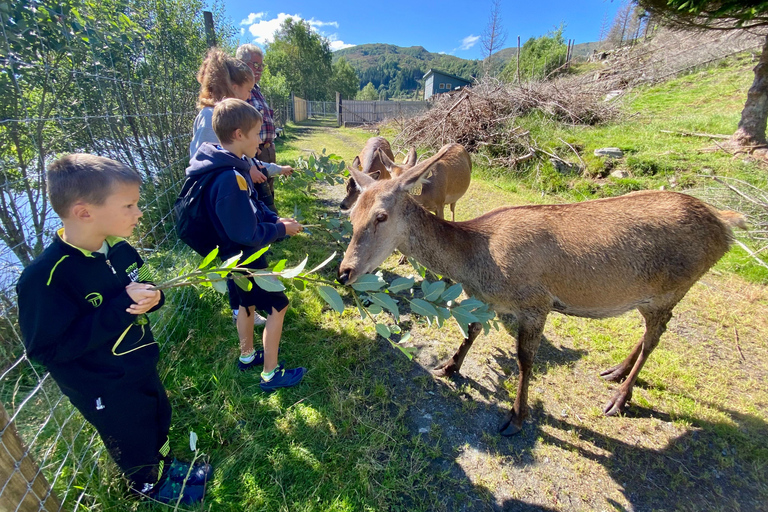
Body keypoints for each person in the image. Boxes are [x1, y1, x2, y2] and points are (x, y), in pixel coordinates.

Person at [16, 154, 210, 505]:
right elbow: (47, 349)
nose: (139, 213)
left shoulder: (121, 250)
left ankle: (166, 467)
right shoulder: (46, 278)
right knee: (131, 436)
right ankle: (148, 486)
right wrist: (119, 307)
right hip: (102, 385)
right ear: (84, 212)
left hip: (140, 363)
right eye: (129, 205)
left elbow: (149, 288)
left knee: (158, 416)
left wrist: (156, 298)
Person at [186, 98, 306, 389]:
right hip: (245, 257)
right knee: (279, 305)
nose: (260, 141)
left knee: (245, 303)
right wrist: (279, 230)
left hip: (231, 256)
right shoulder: (230, 177)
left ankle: (247, 355)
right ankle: (270, 373)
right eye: (256, 134)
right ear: (239, 134)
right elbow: (246, 233)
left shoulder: (229, 165)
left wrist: (275, 219)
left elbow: (252, 206)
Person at [191, 47, 293, 326]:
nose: (249, 96)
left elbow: (242, 160)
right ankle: (243, 308)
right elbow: (206, 159)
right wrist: (277, 229)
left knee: (241, 255)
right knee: (237, 253)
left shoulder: (229, 125)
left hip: (234, 196)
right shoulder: (212, 121)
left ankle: (244, 313)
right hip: (225, 202)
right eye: (247, 90)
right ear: (232, 87)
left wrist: (260, 169)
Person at [236, 44, 280, 211]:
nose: (260, 69)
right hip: (254, 152)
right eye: (255, 65)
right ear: (241, 63)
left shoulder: (256, 89)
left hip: (266, 150)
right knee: (256, 194)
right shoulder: (239, 92)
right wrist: (251, 159)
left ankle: (271, 221)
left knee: (268, 192)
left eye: (262, 65)